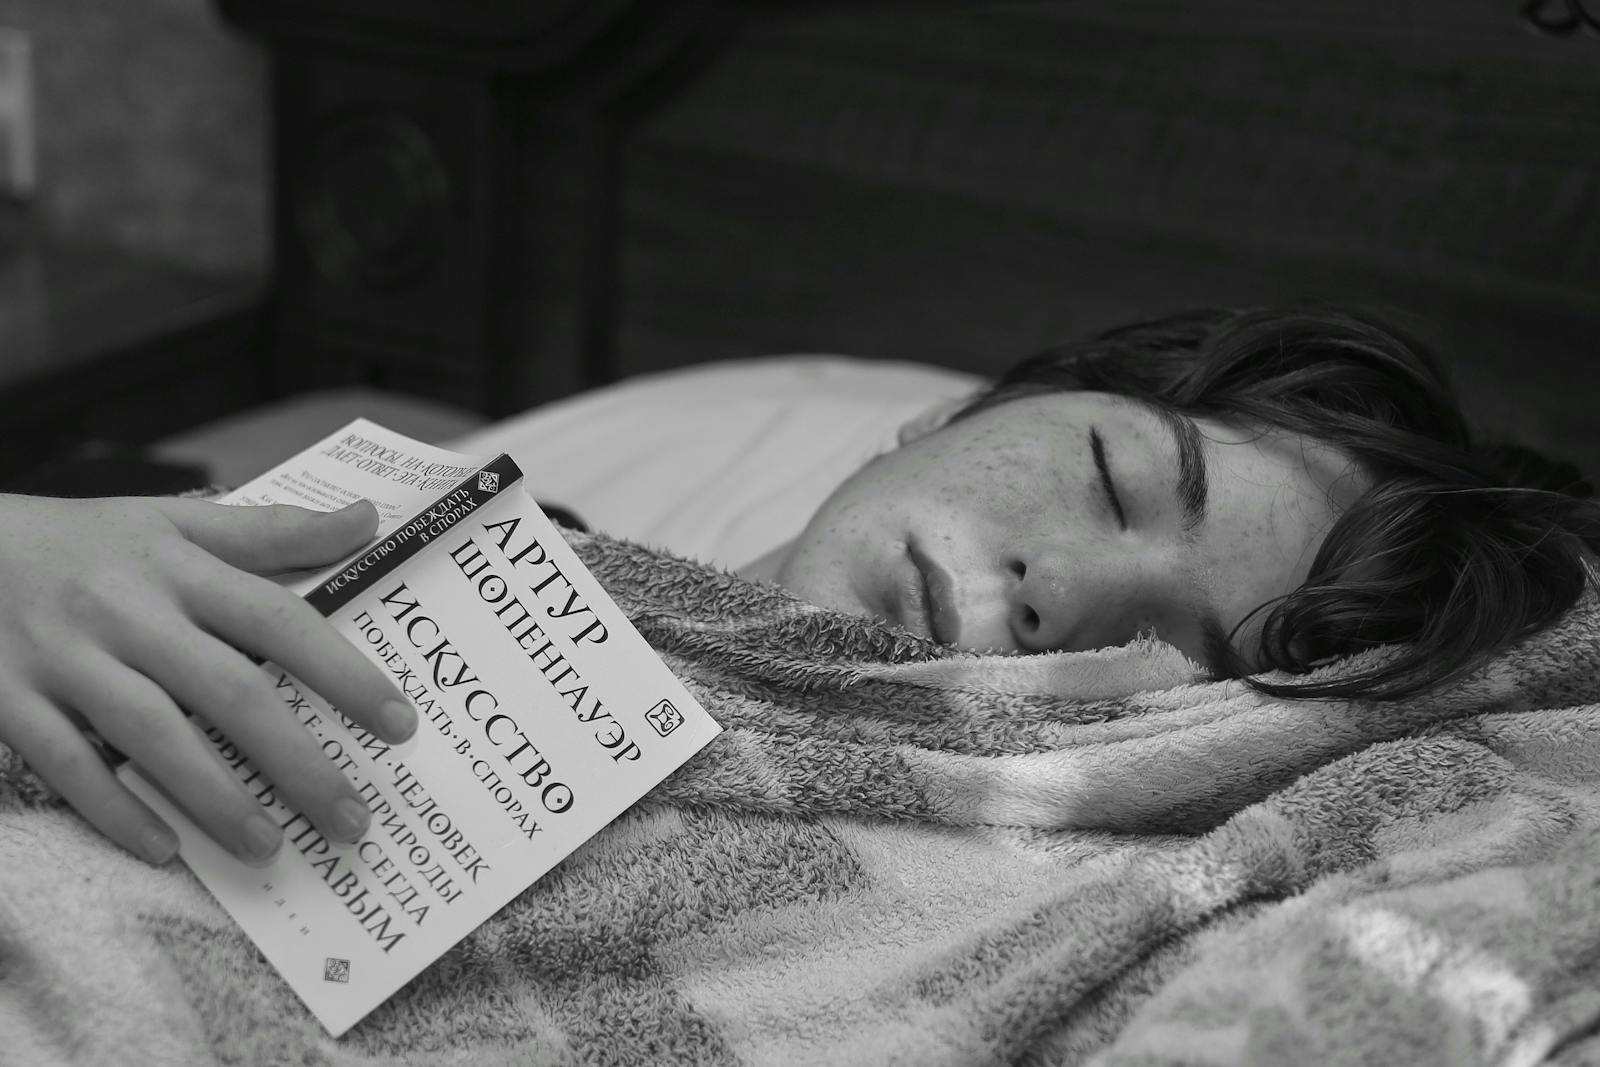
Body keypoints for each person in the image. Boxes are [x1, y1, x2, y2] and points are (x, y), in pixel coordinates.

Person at [1, 305, 1595, 869]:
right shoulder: (414, 535)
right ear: (953, 411)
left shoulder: (989, 859)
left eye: (1185, 644)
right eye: (1114, 480)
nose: (1068, 593)